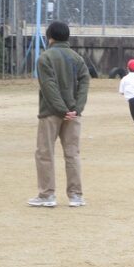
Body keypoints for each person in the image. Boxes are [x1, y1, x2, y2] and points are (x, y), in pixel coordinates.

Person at [27, 21, 90, 208]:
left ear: (50, 37)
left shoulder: (45, 58)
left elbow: (49, 86)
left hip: (50, 113)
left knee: (45, 153)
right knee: (72, 154)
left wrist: (62, 109)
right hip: (73, 114)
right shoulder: (77, 58)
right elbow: (85, 82)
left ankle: (47, 195)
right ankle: (76, 195)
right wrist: (76, 108)